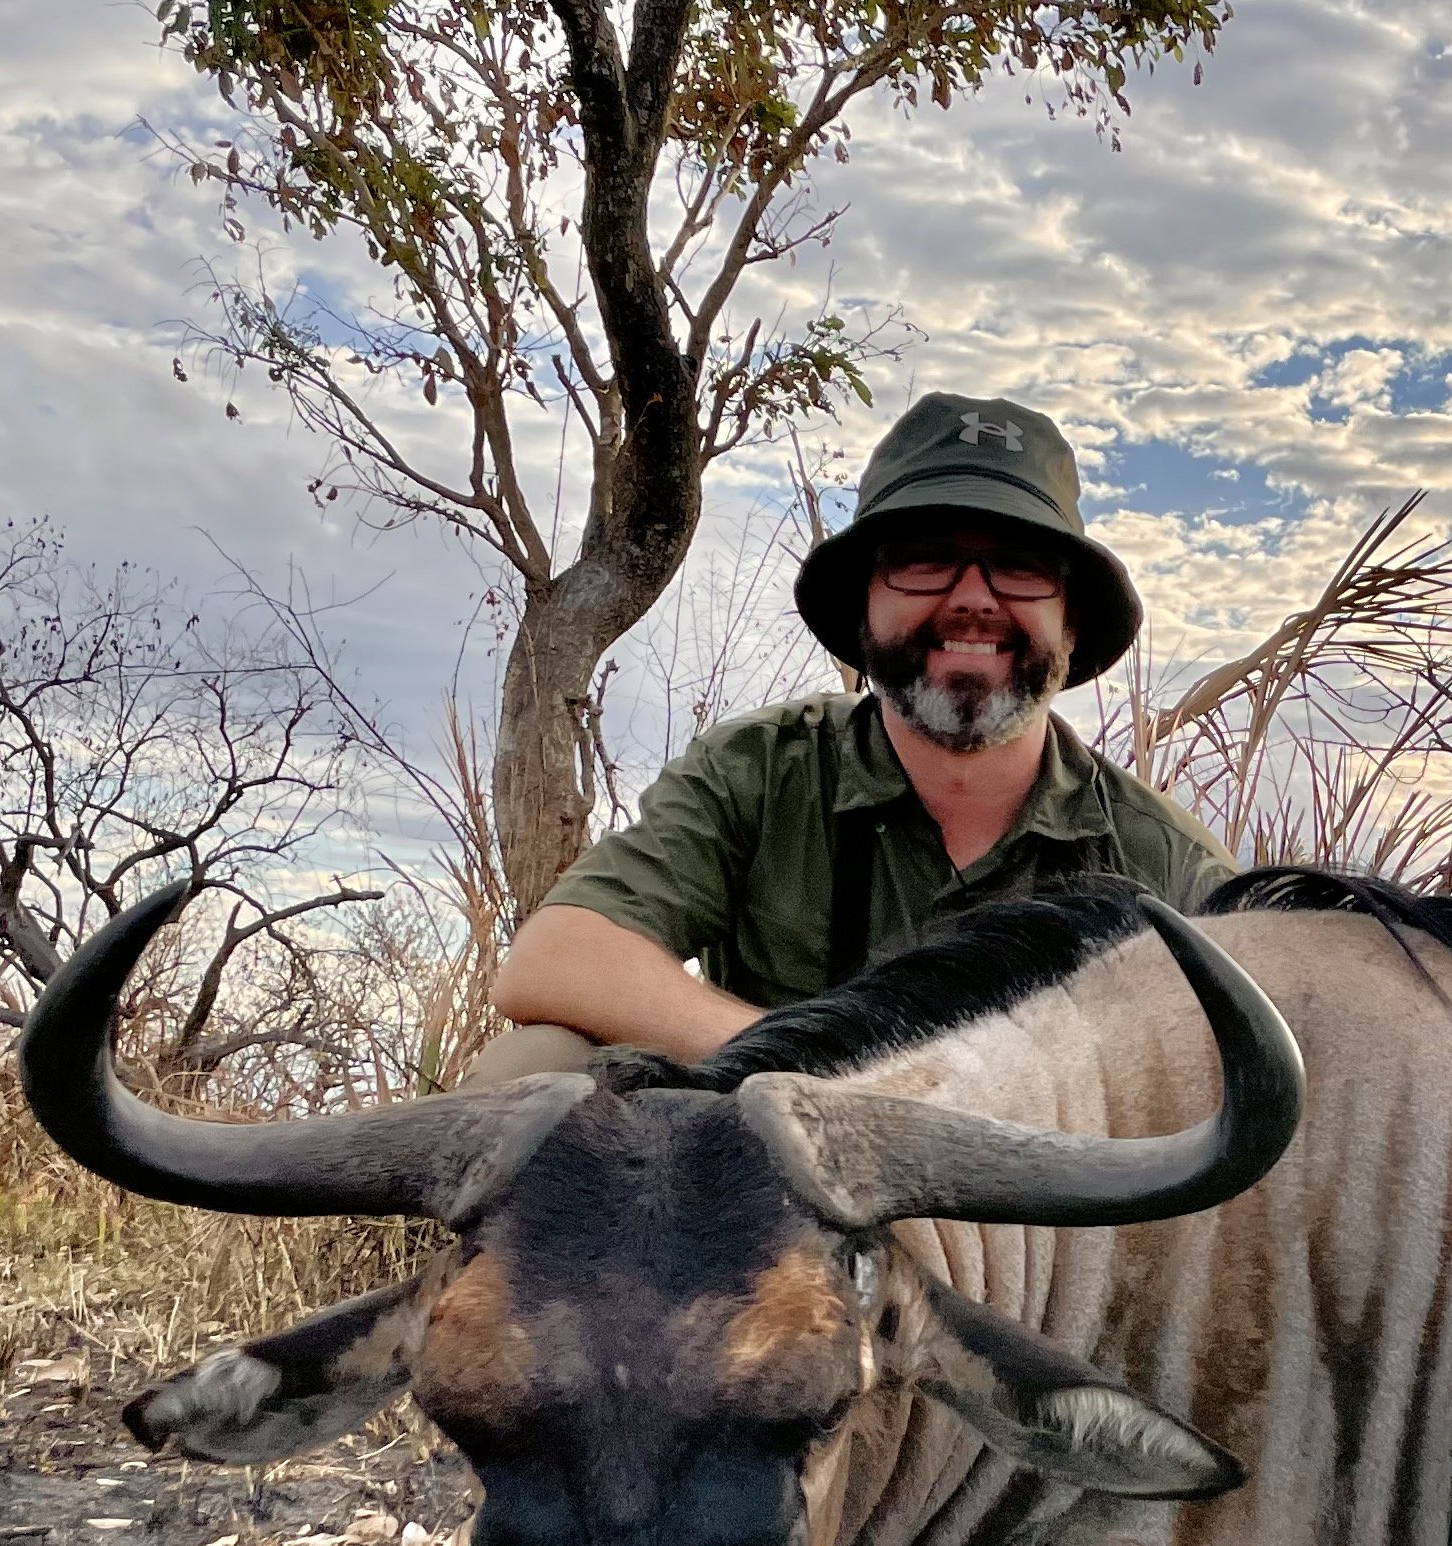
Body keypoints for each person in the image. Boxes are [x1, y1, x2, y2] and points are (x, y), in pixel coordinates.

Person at [479, 392, 1233, 1076]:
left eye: (1022, 566)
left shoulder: (1162, 859)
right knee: (530, 1069)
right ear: (865, 604)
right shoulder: (761, 771)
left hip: (1039, 1214)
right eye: (924, 560)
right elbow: (552, 960)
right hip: (776, 1192)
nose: (973, 599)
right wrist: (836, 1072)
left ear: (1070, 616)